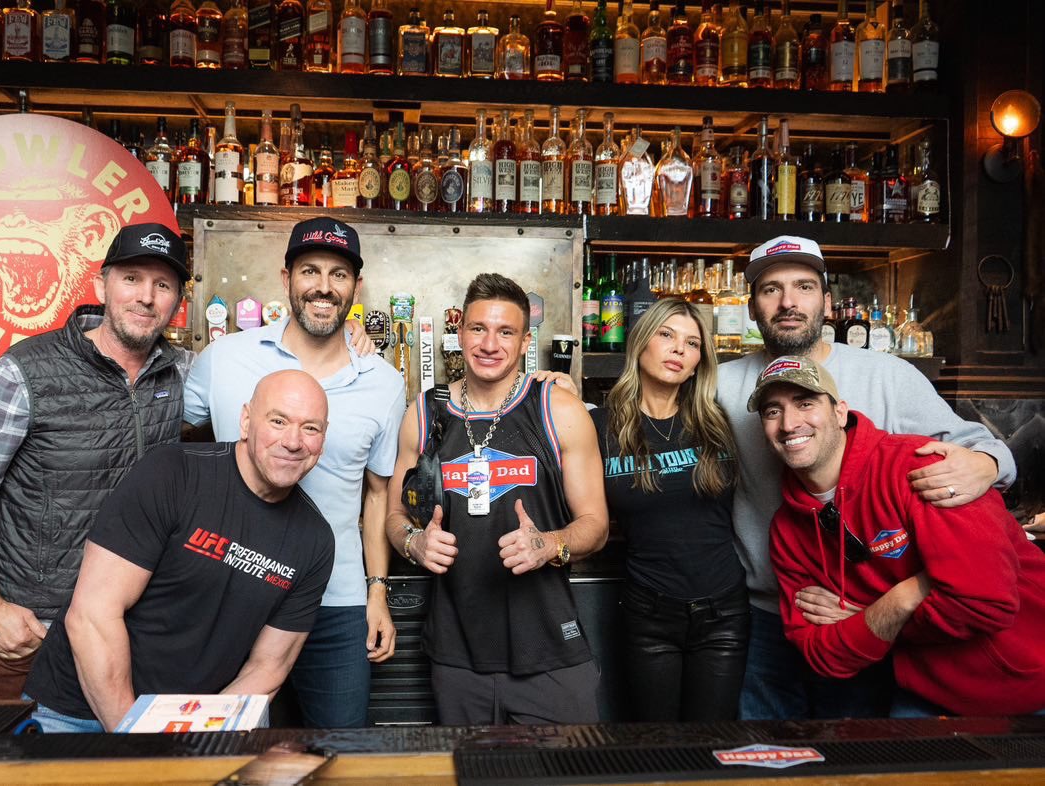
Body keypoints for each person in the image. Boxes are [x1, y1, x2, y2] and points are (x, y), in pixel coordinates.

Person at [716, 235, 1018, 720]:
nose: (789, 302)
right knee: (764, 749)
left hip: (867, 611)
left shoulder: (888, 375)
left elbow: (978, 450)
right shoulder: (720, 384)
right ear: (751, 308)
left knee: (859, 748)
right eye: (771, 289)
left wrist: (987, 464)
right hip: (764, 612)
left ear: (827, 302)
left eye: (804, 287)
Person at [0, 222, 191, 700]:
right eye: (132, 278)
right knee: (20, 749)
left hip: (139, 625)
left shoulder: (182, 374)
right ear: (101, 286)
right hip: (40, 628)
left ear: (177, 302)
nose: (146, 296)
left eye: (163, 285)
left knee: (131, 748)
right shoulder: (25, 372)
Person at [183, 216, 404, 729]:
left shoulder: (384, 382)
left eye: (338, 274)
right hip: (231, 592)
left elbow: (377, 495)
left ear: (356, 288)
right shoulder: (225, 358)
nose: (323, 287)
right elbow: (166, 432)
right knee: (226, 749)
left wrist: (376, 592)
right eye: (310, 271)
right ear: (286, 279)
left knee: (342, 749)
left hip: (337, 601)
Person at [25, 371, 336, 732]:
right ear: (246, 421)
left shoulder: (314, 540)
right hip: (77, 712)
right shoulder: (174, 474)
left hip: (189, 722)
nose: (293, 442)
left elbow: (268, 667)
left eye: (310, 428)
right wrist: (136, 739)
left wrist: (202, 735)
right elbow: (92, 615)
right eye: (278, 421)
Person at [748, 355, 1045, 717]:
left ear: (840, 413)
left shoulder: (923, 468)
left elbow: (986, 603)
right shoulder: (786, 531)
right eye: (772, 411)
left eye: (805, 403)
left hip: (1029, 677)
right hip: (926, 693)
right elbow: (821, 654)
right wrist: (903, 598)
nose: (789, 423)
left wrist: (875, 613)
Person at [386, 273, 609, 726]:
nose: (490, 344)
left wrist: (549, 544)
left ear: (526, 341)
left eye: (506, 332)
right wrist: (414, 542)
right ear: (460, 332)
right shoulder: (425, 414)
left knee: (568, 764)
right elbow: (393, 514)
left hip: (549, 649)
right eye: (478, 329)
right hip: (457, 655)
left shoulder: (558, 410)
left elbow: (596, 524)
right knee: (467, 766)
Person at [592, 298, 745, 722]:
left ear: (698, 363)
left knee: (712, 741)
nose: (679, 348)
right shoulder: (599, 426)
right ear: (640, 343)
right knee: (653, 741)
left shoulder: (721, 422)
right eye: (666, 335)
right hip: (648, 613)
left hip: (724, 612)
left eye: (692, 343)